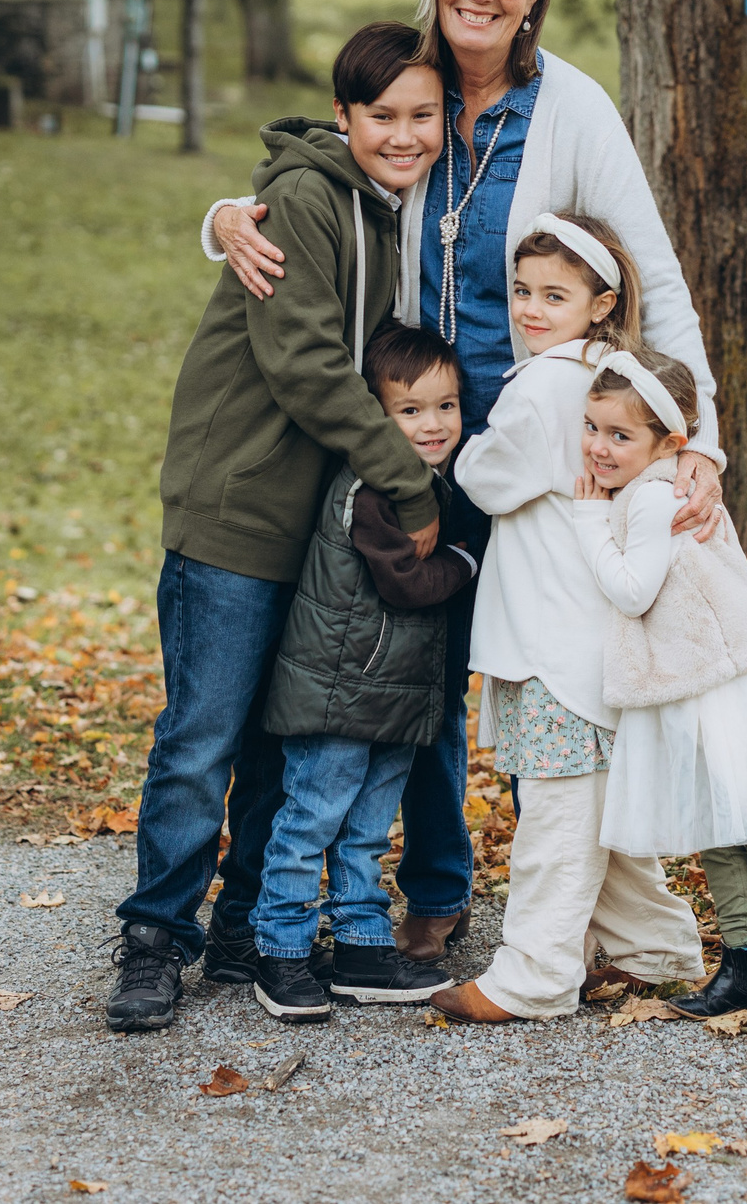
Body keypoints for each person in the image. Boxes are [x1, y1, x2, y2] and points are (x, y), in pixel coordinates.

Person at [200, 0, 727, 962]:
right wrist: (216, 222)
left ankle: (567, 913)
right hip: (411, 436)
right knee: (420, 662)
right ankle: (432, 890)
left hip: (542, 449)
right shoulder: (413, 90)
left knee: (550, 672)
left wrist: (699, 437)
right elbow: (304, 183)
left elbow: (652, 276)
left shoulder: (570, 108)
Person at [106, 22, 446, 1034]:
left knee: (276, 737)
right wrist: (409, 485)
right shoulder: (305, 200)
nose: (402, 133)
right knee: (201, 738)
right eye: (381, 115)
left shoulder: (385, 212)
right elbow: (304, 365)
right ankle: (154, 934)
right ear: (343, 119)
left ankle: (246, 925)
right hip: (237, 509)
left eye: (420, 115)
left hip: (313, 530)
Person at [427, 214, 704, 1023]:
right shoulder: (611, 376)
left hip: (553, 637)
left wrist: (474, 449)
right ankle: (662, 952)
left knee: (555, 815)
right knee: (597, 816)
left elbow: (481, 475)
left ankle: (535, 975)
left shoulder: (548, 384)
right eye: (521, 290)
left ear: (601, 300)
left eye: (555, 293)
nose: (531, 308)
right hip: (583, 634)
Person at [570, 345, 747, 1015]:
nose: (599, 447)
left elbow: (633, 591)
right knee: (719, 820)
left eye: (620, 435)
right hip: (689, 678)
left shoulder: (653, 499)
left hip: (710, 683)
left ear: (670, 442)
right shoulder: (653, 487)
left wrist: (590, 524)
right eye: (593, 427)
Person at [249, 323, 487, 1023]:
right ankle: (281, 949)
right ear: (376, 417)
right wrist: (467, 563)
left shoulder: (432, 484)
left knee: (367, 828)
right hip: (340, 691)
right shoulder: (375, 488)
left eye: (446, 405)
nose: (433, 423)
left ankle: (360, 942)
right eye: (410, 410)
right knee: (311, 820)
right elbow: (405, 583)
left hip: (393, 696)